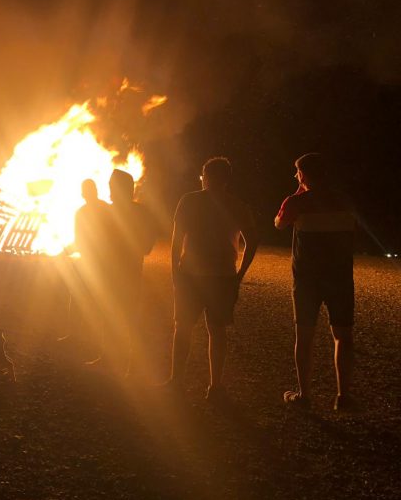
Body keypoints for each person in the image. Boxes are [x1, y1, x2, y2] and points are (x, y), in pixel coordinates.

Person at [167, 157, 258, 403]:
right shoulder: (238, 205)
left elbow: (176, 242)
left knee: (182, 328)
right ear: (227, 180)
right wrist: (239, 274)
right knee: (217, 331)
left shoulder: (189, 201)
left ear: (204, 176)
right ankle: (215, 386)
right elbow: (253, 241)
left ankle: (176, 382)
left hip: (190, 275)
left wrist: (176, 273)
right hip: (223, 277)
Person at [275, 153, 357, 411]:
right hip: (340, 277)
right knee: (343, 336)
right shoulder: (344, 199)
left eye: (298, 172)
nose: (296, 177)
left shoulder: (296, 202)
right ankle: (343, 396)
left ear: (305, 175)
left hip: (308, 279)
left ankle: (304, 395)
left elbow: (279, 224)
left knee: (305, 335)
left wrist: (299, 195)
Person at [90, 169, 156, 372]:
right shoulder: (139, 212)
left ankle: (128, 364)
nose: (109, 189)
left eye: (112, 186)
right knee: (113, 316)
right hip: (120, 272)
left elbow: (145, 245)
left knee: (125, 318)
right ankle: (114, 360)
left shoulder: (110, 213)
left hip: (122, 273)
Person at [60, 179, 107, 346]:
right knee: (81, 298)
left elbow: (81, 240)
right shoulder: (101, 209)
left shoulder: (90, 212)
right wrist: (67, 250)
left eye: (87, 189)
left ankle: (89, 338)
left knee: (93, 300)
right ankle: (78, 335)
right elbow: (79, 239)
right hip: (93, 261)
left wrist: (66, 251)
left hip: (97, 262)